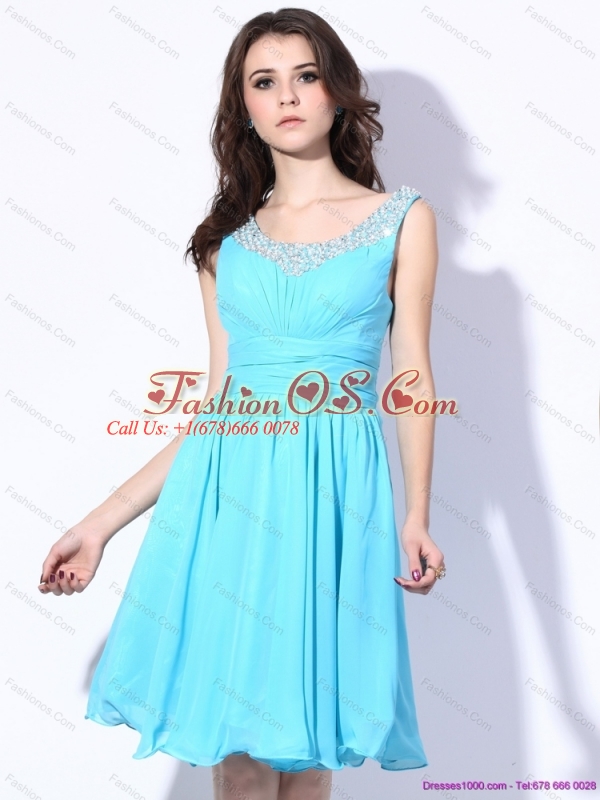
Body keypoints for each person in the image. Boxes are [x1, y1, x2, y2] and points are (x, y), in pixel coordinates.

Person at [38, 9, 445, 800]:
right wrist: (98, 525)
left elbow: (414, 379)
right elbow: (218, 410)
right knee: (244, 764)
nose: (287, 96)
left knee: (309, 755)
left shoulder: (402, 220)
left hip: (334, 502)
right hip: (231, 506)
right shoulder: (225, 244)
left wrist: (418, 515)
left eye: (305, 76)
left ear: (337, 92)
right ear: (244, 107)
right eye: (265, 81)